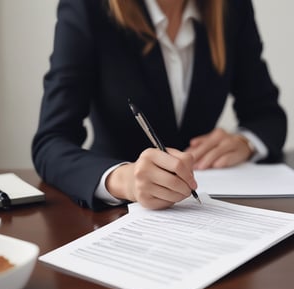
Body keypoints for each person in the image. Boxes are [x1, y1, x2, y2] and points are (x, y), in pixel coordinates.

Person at [32, 0, 287, 211]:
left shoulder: (233, 8)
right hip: (118, 216)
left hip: (205, 210)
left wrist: (245, 142)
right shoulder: (87, 8)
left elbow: (267, 115)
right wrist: (124, 180)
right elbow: (51, 142)